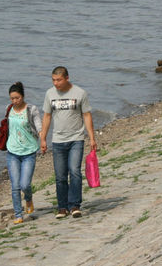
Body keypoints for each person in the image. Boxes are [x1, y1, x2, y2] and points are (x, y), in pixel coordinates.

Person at [40, 66, 97, 219]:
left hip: (76, 139)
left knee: (75, 171)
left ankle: (75, 205)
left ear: (67, 78)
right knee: (60, 176)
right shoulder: (49, 94)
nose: (56, 83)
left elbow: (86, 115)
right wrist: (43, 138)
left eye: (58, 80)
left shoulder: (80, 93)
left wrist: (91, 137)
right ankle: (62, 207)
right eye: (53, 80)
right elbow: (46, 116)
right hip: (58, 140)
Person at [4, 82, 43, 225]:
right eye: (12, 98)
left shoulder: (31, 109)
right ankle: (18, 214)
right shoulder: (9, 109)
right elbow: (5, 128)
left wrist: (43, 138)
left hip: (29, 152)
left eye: (17, 98)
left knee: (25, 184)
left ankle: (28, 199)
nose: (14, 101)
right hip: (12, 152)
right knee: (15, 186)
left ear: (23, 96)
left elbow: (39, 126)